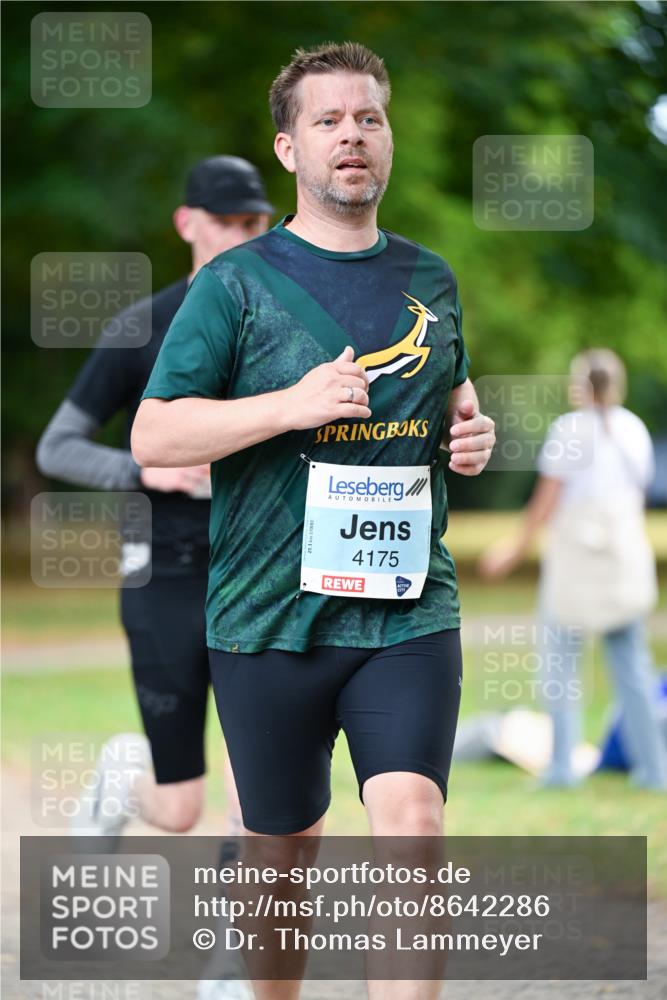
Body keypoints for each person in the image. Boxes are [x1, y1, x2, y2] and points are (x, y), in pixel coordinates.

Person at [132, 42, 495, 1000]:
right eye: (328, 120)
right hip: (265, 620)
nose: (351, 136)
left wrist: (471, 438)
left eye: (367, 118)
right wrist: (289, 406)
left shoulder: (432, 277)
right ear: (289, 148)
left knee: (411, 820)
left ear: (387, 141)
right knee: (283, 857)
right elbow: (155, 436)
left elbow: (452, 398)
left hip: (405, 610)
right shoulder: (235, 283)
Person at [36, 156, 273, 841]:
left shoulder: (282, 326)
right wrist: (145, 471)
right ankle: (120, 777)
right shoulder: (141, 326)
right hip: (162, 572)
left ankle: (242, 943)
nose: (238, 235)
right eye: (223, 222)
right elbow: (57, 446)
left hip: (256, 569)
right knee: (178, 810)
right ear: (186, 223)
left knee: (258, 773)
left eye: (252, 222)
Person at [480, 349, 667, 790]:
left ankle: (562, 767)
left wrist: (513, 549)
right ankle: (653, 770)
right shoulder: (634, 429)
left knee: (560, 666)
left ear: (582, 385)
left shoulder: (569, 430)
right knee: (632, 669)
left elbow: (546, 502)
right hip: (624, 565)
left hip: (575, 566)